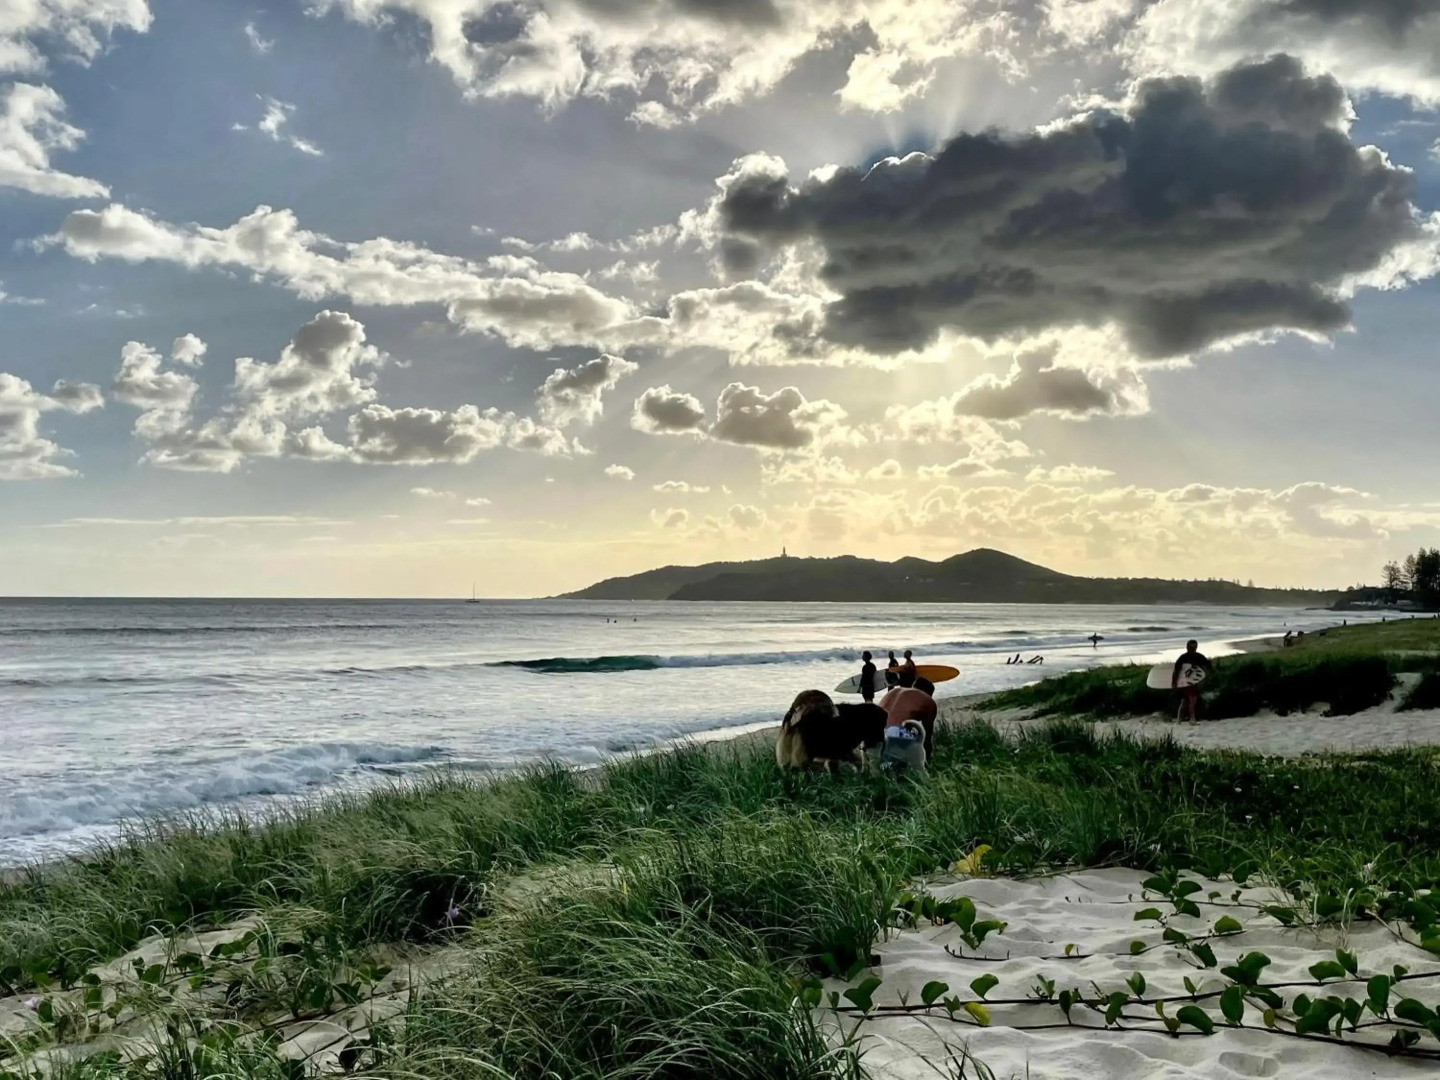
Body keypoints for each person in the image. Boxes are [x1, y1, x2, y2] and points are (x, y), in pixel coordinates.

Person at [880, 677, 937, 761]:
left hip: (871, 732)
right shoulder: (928, 700)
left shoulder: (893, 691)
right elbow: (927, 736)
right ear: (929, 693)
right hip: (894, 733)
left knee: (879, 765)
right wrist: (927, 758)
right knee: (901, 767)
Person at [1171, 639, 1214, 723]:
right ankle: (1192, 719)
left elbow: (1207, 667)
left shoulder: (1199, 657)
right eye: (1190, 646)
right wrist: (1174, 682)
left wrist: (1204, 679)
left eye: (1193, 647)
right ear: (1187, 647)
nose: (1192, 648)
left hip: (1195, 682)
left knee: (1186, 701)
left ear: (1196, 647)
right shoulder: (1183, 658)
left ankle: (1179, 718)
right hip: (1185, 682)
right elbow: (1176, 670)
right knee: (1192, 700)